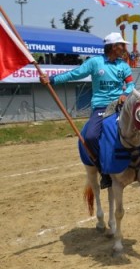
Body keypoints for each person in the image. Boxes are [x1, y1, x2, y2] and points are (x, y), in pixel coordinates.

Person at [39, 32, 134, 188]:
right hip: (101, 107)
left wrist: (125, 94)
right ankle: (103, 170)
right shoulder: (95, 62)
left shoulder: (124, 65)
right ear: (113, 47)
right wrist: (52, 79)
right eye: (122, 45)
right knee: (90, 137)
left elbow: (131, 84)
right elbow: (75, 74)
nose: (125, 48)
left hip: (120, 105)